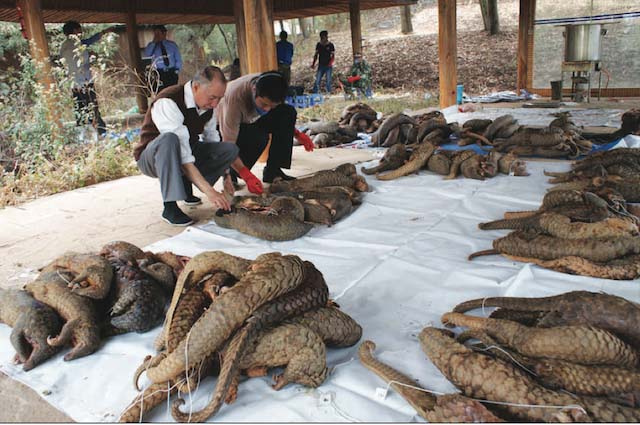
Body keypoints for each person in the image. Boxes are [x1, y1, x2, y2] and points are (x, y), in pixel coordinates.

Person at [134, 66, 238, 226]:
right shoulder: (168, 101)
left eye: (219, 98)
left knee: (229, 150)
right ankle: (169, 206)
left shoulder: (209, 107)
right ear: (196, 87)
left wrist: (227, 176)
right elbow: (181, 152)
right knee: (169, 139)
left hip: (186, 152)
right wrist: (210, 192)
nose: (216, 104)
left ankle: (189, 188)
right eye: (212, 97)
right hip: (153, 157)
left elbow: (212, 140)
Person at [216, 71, 314, 194]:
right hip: (224, 126)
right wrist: (246, 174)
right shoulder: (234, 101)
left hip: (251, 119)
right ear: (254, 90)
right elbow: (228, 145)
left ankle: (273, 171)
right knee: (259, 138)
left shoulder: (273, 87)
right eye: (264, 104)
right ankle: (233, 172)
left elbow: (278, 118)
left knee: (287, 113)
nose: (267, 109)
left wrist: (297, 134)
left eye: (272, 106)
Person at [59, 21, 114, 136]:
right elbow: (85, 59)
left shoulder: (63, 46)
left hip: (73, 84)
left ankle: (83, 133)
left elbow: (88, 42)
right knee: (92, 107)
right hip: (85, 82)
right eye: (79, 30)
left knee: (79, 108)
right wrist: (92, 55)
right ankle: (100, 131)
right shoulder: (78, 44)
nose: (81, 32)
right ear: (74, 31)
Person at [144, 24, 182, 89]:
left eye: (159, 33)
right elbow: (147, 54)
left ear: (164, 33)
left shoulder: (172, 45)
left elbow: (178, 59)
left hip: (171, 72)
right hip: (159, 73)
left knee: (172, 91)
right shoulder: (153, 46)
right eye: (155, 34)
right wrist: (154, 42)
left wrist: (176, 71)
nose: (157, 36)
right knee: (161, 92)